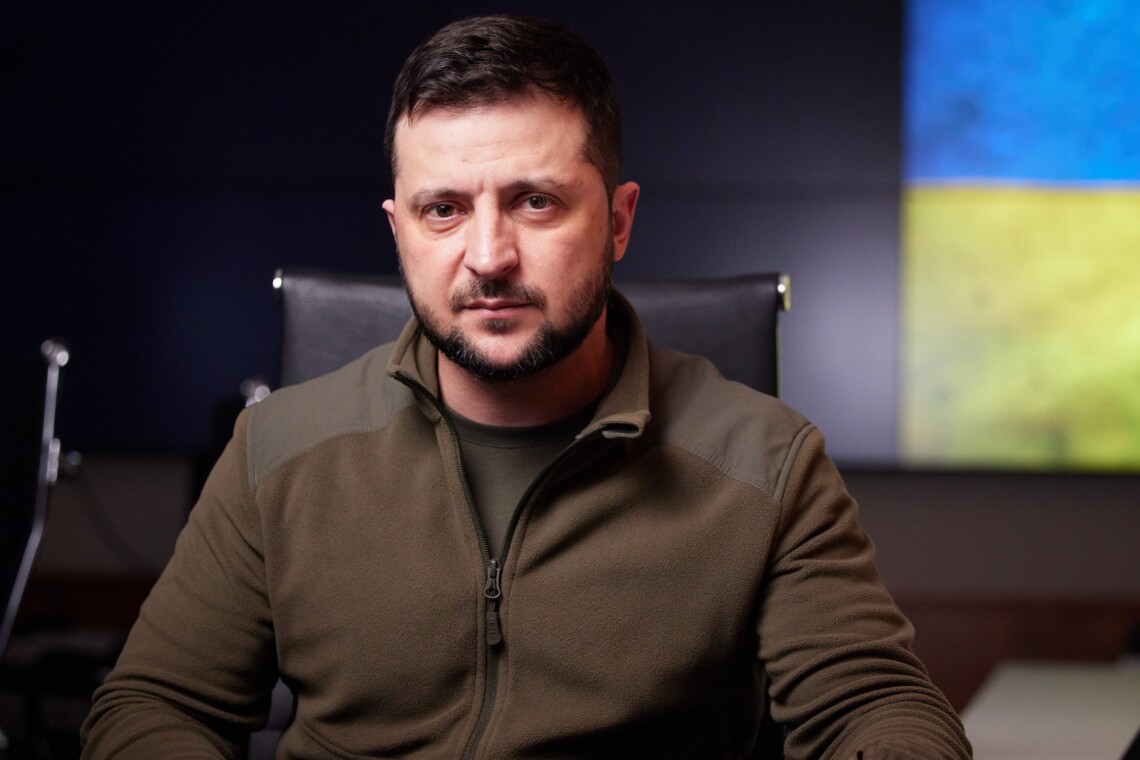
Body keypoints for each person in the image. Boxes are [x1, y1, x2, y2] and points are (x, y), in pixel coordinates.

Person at [82, 15, 971, 760]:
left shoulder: (768, 464)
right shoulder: (277, 449)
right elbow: (155, 706)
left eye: (536, 202)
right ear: (399, 231)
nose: (488, 256)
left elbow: (877, 708)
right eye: (443, 210)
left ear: (617, 221)